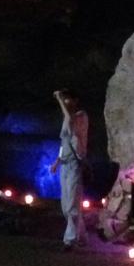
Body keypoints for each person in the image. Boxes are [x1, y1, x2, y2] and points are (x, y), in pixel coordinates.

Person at [50, 88, 88, 250]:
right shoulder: (68, 118)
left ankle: (69, 240)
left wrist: (59, 100)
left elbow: (71, 123)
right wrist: (57, 161)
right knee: (66, 204)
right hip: (65, 164)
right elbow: (64, 142)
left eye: (67, 99)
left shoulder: (81, 116)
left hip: (74, 164)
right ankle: (81, 236)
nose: (65, 101)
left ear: (75, 100)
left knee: (72, 204)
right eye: (64, 99)